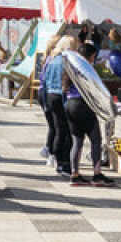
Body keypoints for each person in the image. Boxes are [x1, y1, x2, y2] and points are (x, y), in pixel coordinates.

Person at [63, 41, 110, 186]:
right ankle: (97, 174)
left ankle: (74, 174)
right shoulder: (87, 69)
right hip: (84, 105)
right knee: (96, 139)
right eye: (93, 56)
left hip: (70, 105)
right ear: (90, 56)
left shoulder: (69, 67)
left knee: (77, 140)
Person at [40, 37, 76, 174]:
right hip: (62, 96)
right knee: (66, 130)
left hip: (51, 95)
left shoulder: (53, 60)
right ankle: (64, 162)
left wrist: (45, 103)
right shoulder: (67, 62)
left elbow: (45, 81)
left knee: (58, 129)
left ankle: (56, 157)